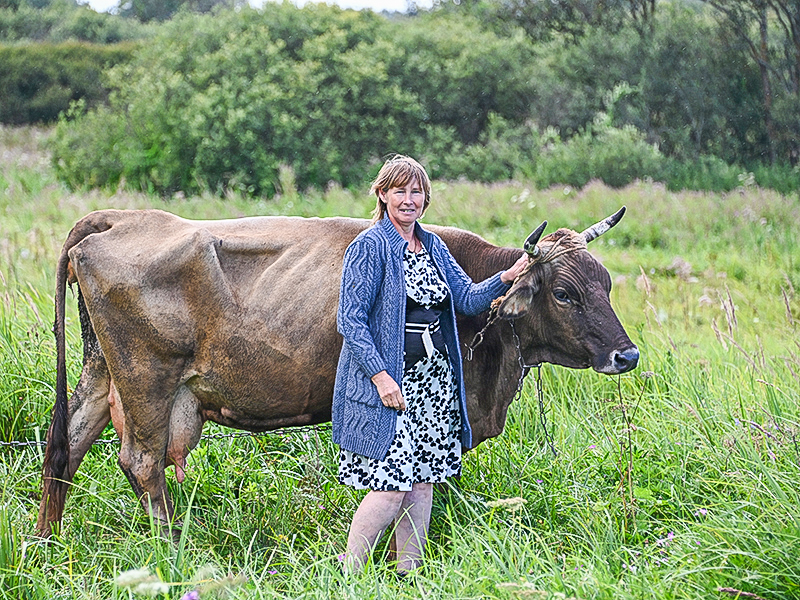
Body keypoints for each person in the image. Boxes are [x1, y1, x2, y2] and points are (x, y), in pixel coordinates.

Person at [332, 155, 528, 574]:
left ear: (426, 198)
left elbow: (467, 298)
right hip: (392, 385)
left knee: (422, 485)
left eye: (416, 191)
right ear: (382, 195)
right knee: (388, 489)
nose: (408, 199)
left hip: (434, 387)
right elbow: (350, 319)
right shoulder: (369, 246)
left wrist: (506, 277)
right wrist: (380, 377)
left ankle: (409, 574)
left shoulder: (433, 245)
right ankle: (347, 575)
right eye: (399, 190)